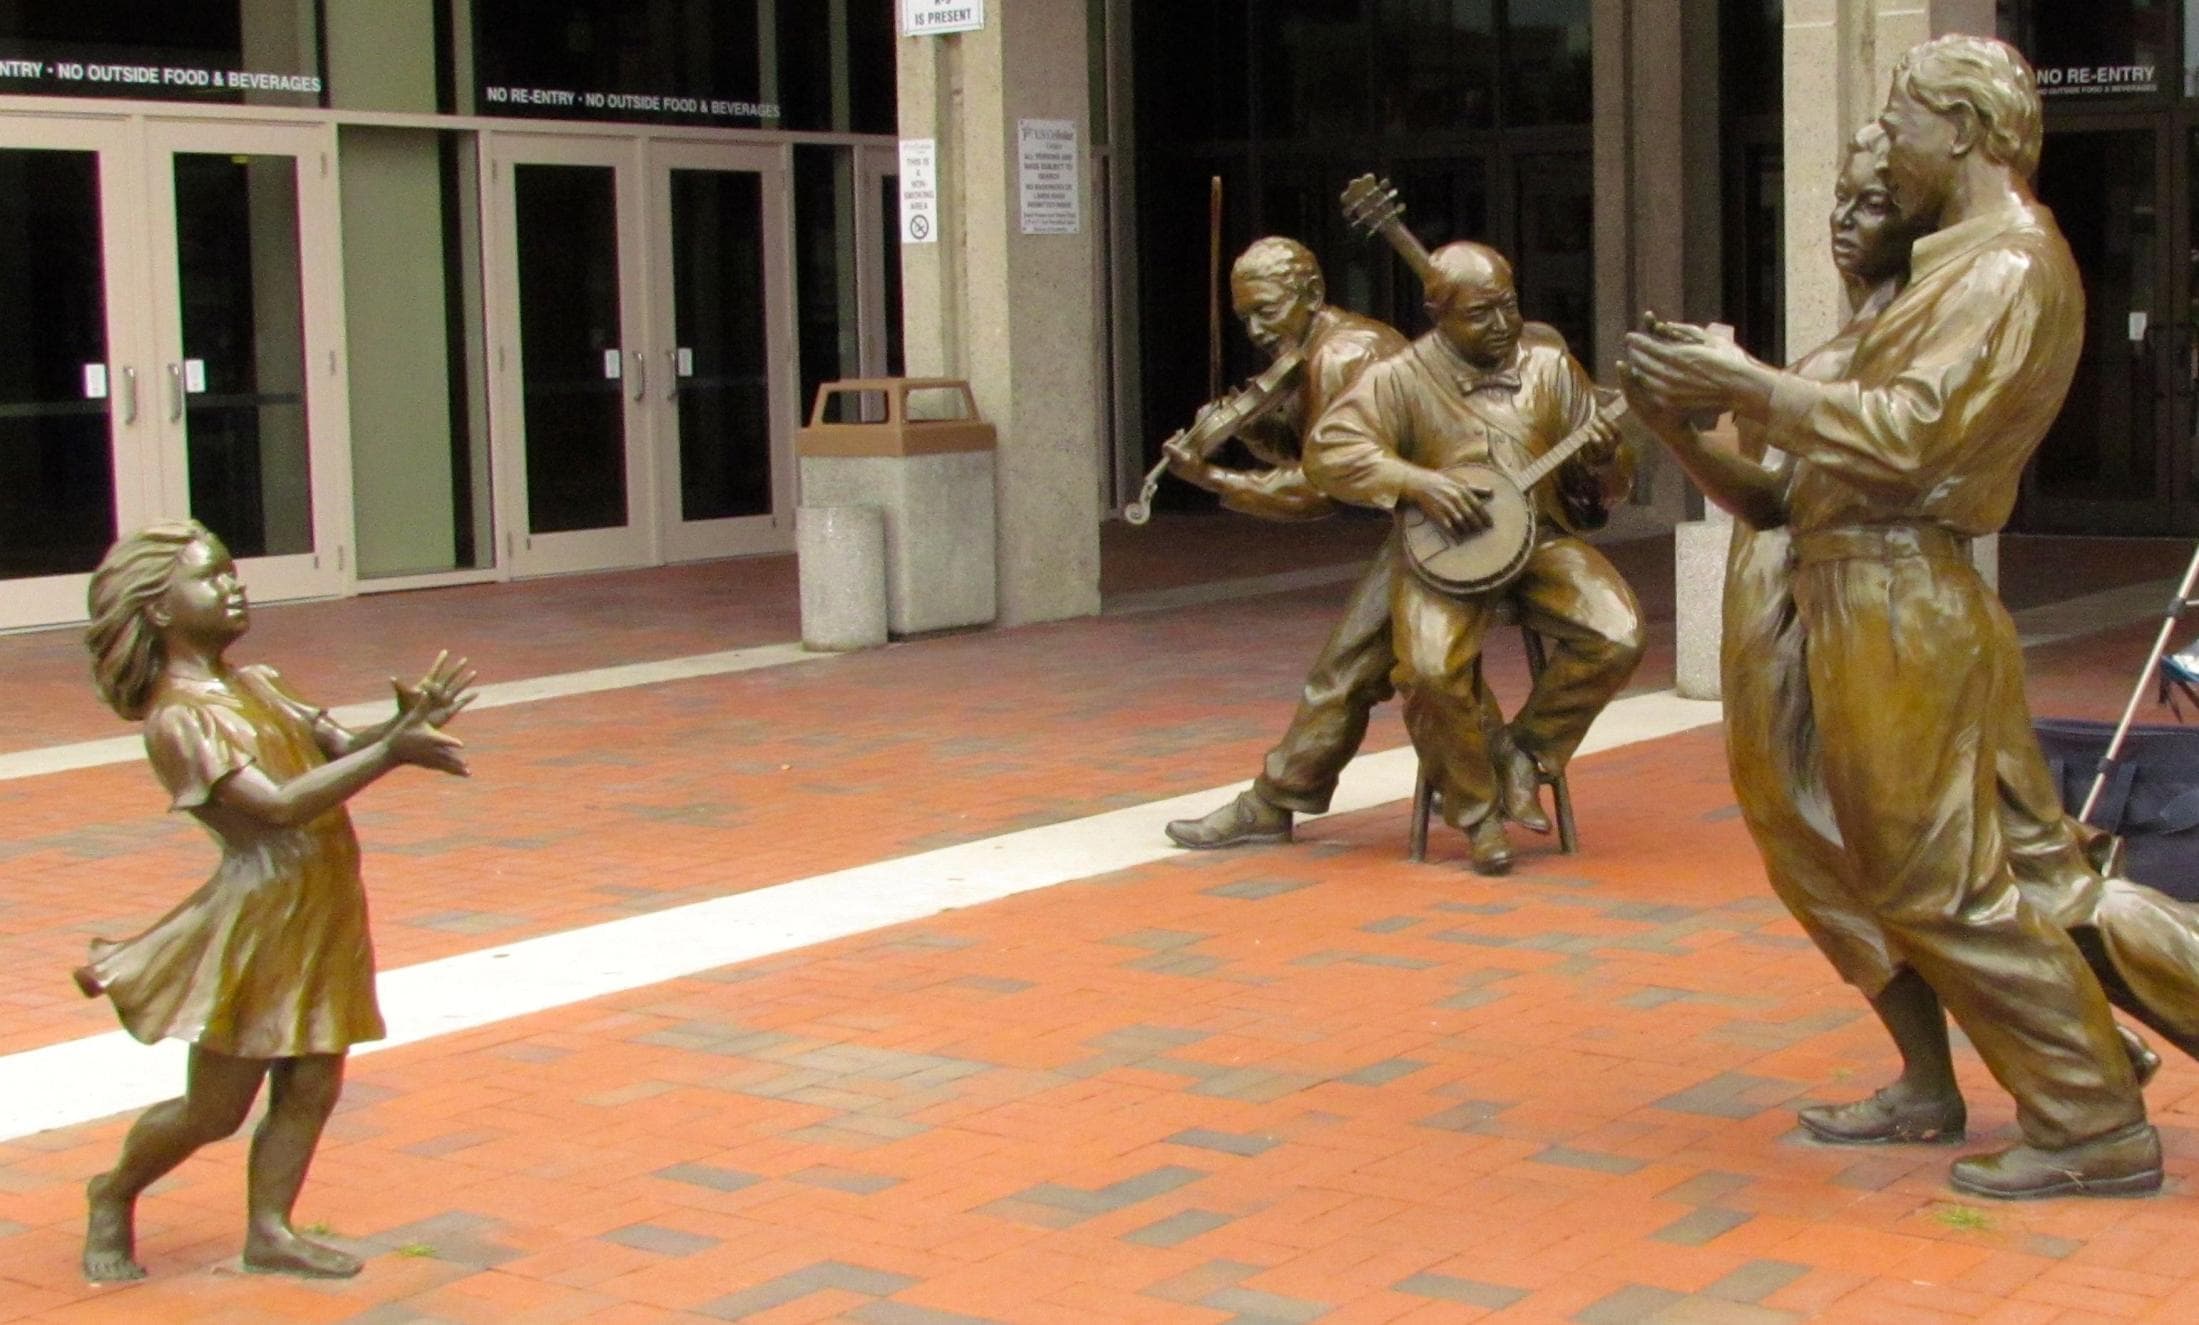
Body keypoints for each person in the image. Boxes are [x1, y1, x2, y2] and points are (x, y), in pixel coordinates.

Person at [1624, 35, 2163, 1198]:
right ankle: (2073, 1072)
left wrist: (1744, 383)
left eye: (1898, 119)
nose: (1880, 143)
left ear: (1960, 128)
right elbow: (1790, 489)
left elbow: (1914, 435)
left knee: (1937, 883)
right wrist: (1684, 415)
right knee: (2017, 880)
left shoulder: (2009, 265)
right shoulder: (1947, 270)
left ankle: (2089, 1113)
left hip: (1902, 597)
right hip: (1863, 589)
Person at [75, 520, 477, 1280]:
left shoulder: (258, 682)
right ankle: (113, 1190)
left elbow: (339, 747)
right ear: (158, 608)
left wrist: (401, 723)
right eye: (211, 577)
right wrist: (393, 753)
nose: (234, 586)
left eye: (232, 571)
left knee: (314, 1079)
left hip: (325, 903)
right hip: (260, 918)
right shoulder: (180, 717)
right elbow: (280, 805)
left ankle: (270, 1230)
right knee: (214, 1109)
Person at [1162, 237, 1519, 851]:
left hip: (1454, 520)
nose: (1255, 330)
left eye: (1266, 310)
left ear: (1312, 294)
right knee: (1382, 662)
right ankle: (1489, 769)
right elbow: (1312, 451)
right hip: (1430, 518)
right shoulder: (1317, 349)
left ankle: (1277, 800)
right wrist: (1257, 430)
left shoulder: (1344, 354)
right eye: (1245, 317)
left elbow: (1322, 488)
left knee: (1352, 665)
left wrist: (1219, 480)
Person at [1307, 241, 1641, 874]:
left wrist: (1603, 457)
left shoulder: (1552, 368)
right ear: (1438, 315)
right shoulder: (1397, 378)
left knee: (1617, 632)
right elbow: (1329, 451)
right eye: (1480, 313)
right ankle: (1477, 812)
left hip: (1540, 540)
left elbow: (1610, 487)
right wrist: (1417, 483)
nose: (1502, 324)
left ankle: (1525, 755)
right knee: (1429, 670)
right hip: (1447, 556)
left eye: (1508, 306)